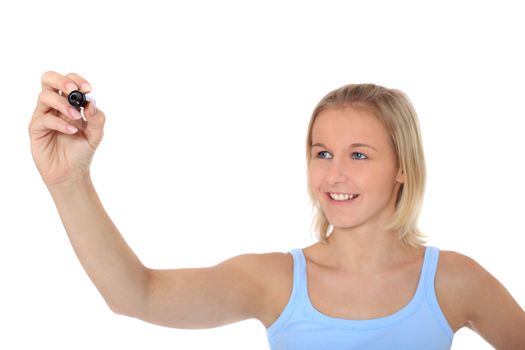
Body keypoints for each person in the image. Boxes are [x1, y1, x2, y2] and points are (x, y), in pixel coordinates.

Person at [28, 71, 525, 350]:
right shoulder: (277, 281)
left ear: (402, 167)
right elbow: (138, 295)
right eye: (322, 153)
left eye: (359, 154)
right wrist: (69, 181)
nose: (335, 175)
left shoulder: (453, 281)